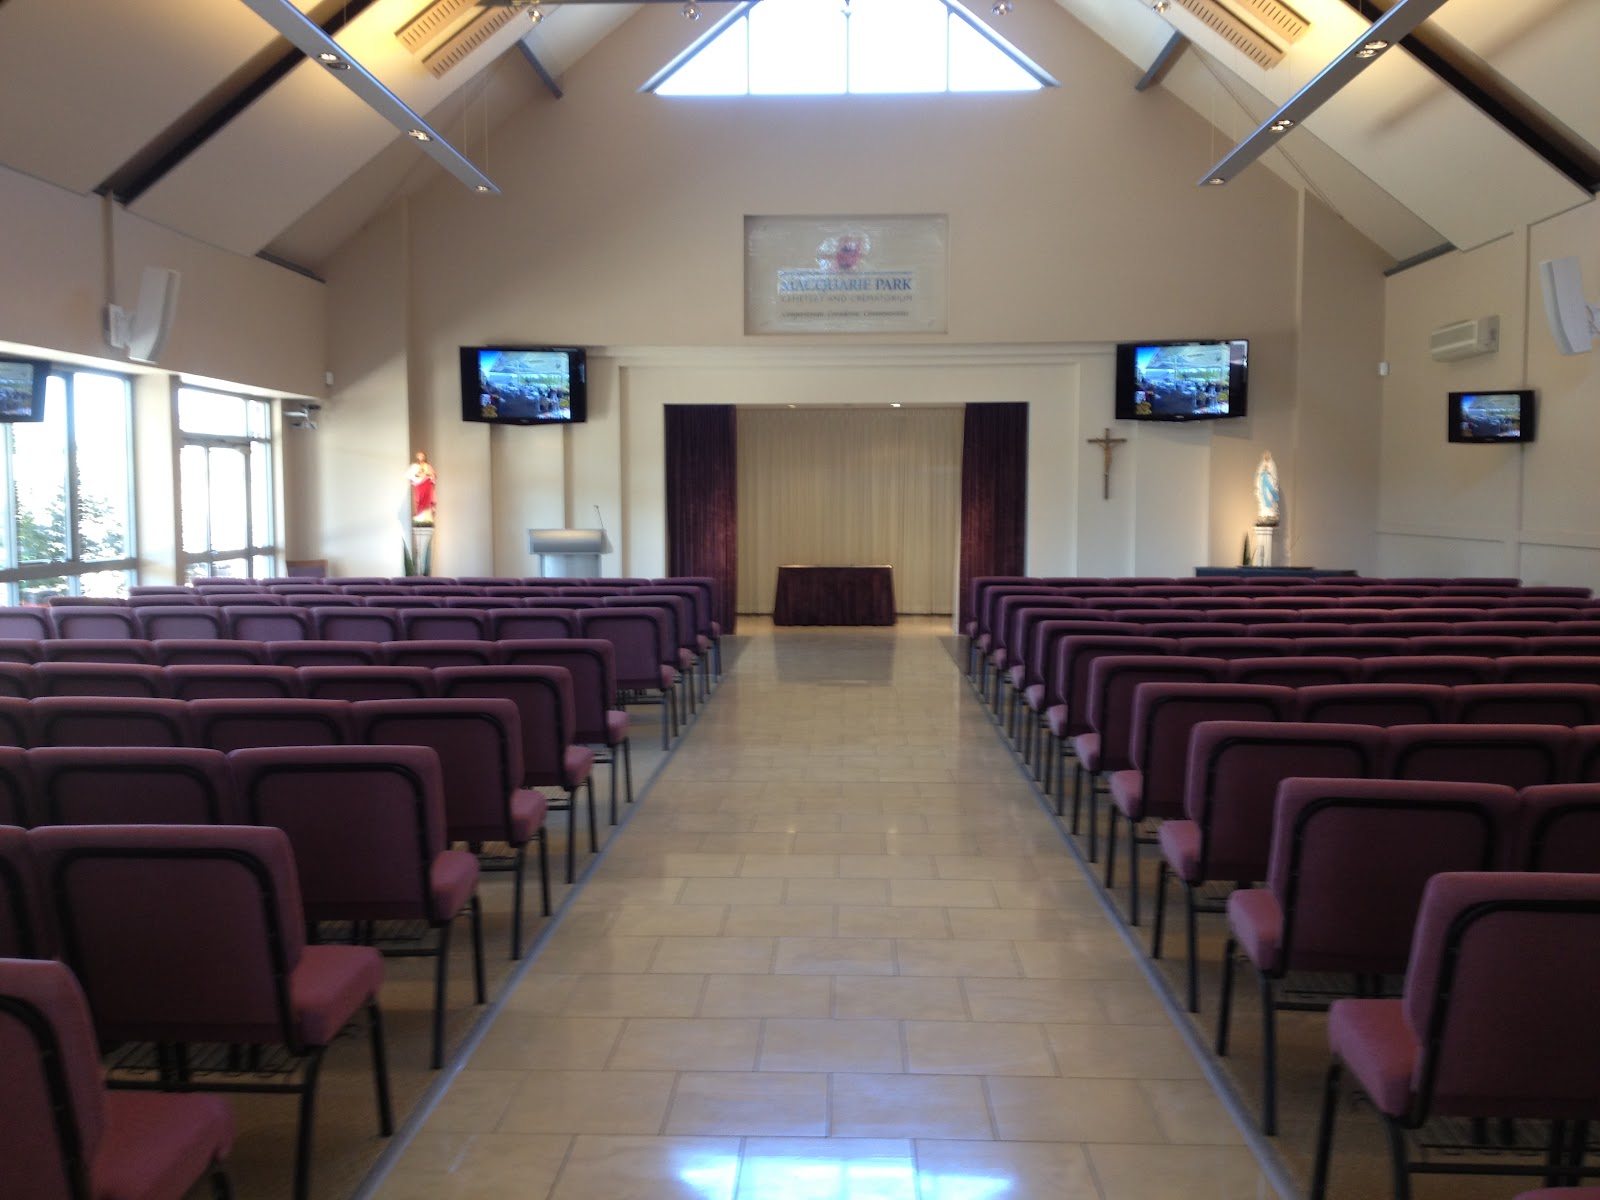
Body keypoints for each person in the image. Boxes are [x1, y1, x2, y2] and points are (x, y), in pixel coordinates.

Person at [407, 451, 436, 526]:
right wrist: (417, 475)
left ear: (424, 457)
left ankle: (426, 516)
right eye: (419, 456)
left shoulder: (428, 466)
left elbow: (433, 476)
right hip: (419, 486)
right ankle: (419, 515)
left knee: (427, 499)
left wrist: (427, 474)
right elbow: (411, 476)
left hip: (426, 484)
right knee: (419, 500)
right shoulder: (415, 466)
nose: (420, 457)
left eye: (422, 456)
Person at [1255, 450, 1280, 527]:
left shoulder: (1272, 464)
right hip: (1263, 485)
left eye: (1267, 455)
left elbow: (1274, 475)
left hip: (1269, 484)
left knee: (1270, 498)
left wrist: (1267, 471)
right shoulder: (1261, 464)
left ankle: (1270, 515)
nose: (1266, 456)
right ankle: (1264, 515)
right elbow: (1258, 475)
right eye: (1265, 455)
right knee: (1263, 500)